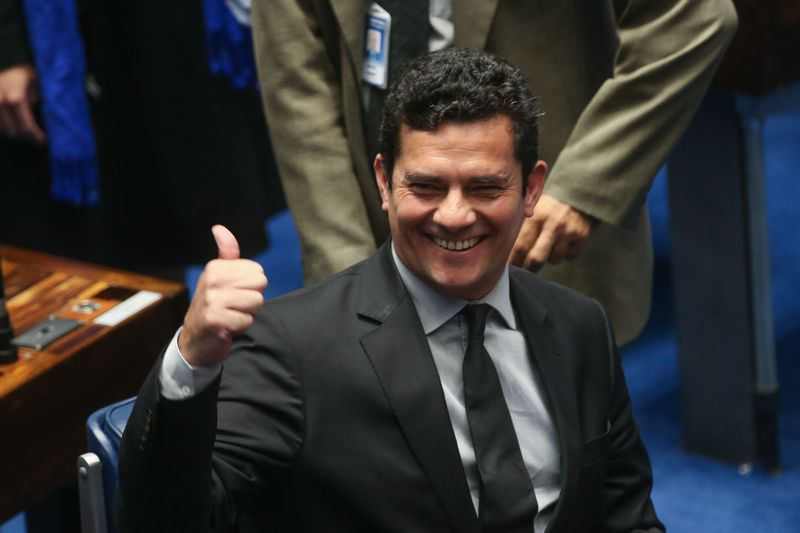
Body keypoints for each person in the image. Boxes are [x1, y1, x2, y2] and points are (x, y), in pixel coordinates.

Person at [117, 49, 663, 532]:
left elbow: (625, 517)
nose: (453, 215)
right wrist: (191, 360)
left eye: (484, 187)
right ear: (384, 182)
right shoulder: (290, 348)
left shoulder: (581, 325)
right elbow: (167, 521)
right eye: (425, 186)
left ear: (532, 189)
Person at [252, 0, 738, 345]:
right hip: (376, 220)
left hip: (535, 236)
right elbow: (300, 94)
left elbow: (692, 18)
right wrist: (350, 281)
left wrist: (587, 187)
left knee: (566, 462)